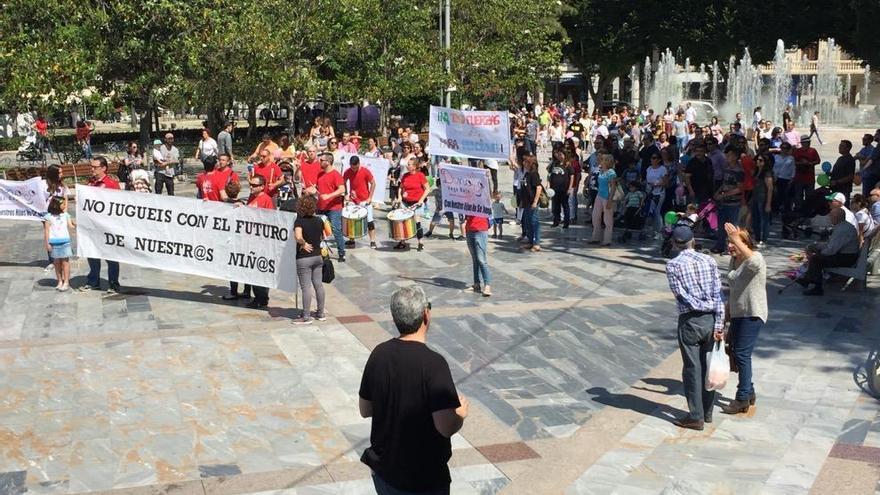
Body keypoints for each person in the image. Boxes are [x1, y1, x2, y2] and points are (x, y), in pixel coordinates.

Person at [358, 286, 468, 495]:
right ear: (426, 315)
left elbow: (365, 409)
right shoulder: (434, 364)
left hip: (385, 471)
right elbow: (445, 426)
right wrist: (460, 414)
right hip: (422, 478)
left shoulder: (379, 354)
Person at [665, 225, 725, 430]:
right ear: (693, 240)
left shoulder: (673, 265)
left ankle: (696, 415)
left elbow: (680, 295)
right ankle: (707, 412)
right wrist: (719, 323)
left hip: (690, 320)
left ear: (674, 243)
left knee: (692, 368)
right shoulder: (709, 260)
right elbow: (718, 294)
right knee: (709, 365)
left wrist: (697, 306)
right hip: (711, 318)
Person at [80, 157, 122, 293]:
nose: (91, 169)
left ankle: (113, 283)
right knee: (92, 254)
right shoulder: (90, 183)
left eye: (94, 167)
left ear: (103, 168)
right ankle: (93, 281)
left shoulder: (111, 184)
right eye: (91, 166)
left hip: (107, 227)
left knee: (111, 257)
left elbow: (119, 206)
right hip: (92, 226)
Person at [798, 207, 860, 296]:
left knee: (816, 259)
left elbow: (831, 250)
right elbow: (832, 245)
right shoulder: (843, 226)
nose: (829, 218)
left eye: (831, 216)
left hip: (847, 258)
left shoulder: (842, 229)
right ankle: (807, 279)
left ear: (836, 217)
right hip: (847, 255)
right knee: (817, 257)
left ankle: (817, 287)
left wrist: (819, 253)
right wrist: (818, 247)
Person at [292, 195, 330, 324]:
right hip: (318, 256)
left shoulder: (299, 221)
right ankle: (320, 313)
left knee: (306, 287)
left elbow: (298, 236)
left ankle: (306, 316)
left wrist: (303, 243)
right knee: (318, 285)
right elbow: (324, 235)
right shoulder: (319, 221)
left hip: (304, 258)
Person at [244, 175, 274, 308]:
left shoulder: (266, 199)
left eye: (255, 185)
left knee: (259, 269)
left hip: (260, 241)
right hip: (250, 239)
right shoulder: (251, 197)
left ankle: (261, 297)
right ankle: (259, 297)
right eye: (251, 184)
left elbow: (271, 219)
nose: (251, 187)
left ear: (262, 187)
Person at [314, 153, 347, 261]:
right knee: (319, 230)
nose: (320, 162)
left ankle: (342, 253)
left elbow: (342, 190)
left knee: (336, 230)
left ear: (328, 162)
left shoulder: (336, 175)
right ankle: (322, 252)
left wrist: (329, 195)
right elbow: (318, 188)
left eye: (321, 160)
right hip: (321, 206)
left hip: (334, 208)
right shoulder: (320, 174)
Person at [711, 147, 744, 253]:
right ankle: (720, 245)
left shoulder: (739, 171)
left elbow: (739, 188)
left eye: (729, 155)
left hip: (733, 203)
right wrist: (718, 192)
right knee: (721, 225)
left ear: (735, 157)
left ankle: (734, 247)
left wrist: (724, 195)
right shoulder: (727, 168)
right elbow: (724, 183)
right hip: (724, 201)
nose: (727, 157)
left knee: (732, 226)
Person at [222, 181, 251, 301]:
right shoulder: (244, 204)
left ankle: (233, 292)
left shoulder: (223, 205)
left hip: (231, 240)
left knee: (233, 265)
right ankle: (247, 291)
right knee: (245, 265)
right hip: (243, 239)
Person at [343, 155, 378, 249]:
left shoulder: (365, 171)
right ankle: (351, 240)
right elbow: (343, 182)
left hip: (364, 200)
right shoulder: (347, 171)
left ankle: (373, 241)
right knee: (350, 220)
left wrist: (370, 197)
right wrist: (346, 193)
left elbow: (373, 183)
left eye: (355, 167)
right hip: (353, 199)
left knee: (370, 221)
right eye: (352, 167)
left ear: (359, 164)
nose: (354, 169)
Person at [396, 157, 430, 251]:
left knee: (417, 222)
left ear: (414, 166)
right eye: (407, 164)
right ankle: (402, 242)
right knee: (402, 222)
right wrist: (399, 197)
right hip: (405, 202)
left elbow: (427, 189)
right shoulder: (405, 175)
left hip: (416, 203)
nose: (407, 165)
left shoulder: (420, 175)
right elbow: (400, 188)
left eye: (409, 164)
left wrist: (421, 200)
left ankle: (420, 243)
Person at [43, 196, 76, 292]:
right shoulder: (48, 217)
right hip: (54, 243)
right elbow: (47, 231)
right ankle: (59, 281)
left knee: (65, 262)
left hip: (65, 242)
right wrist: (47, 244)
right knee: (57, 263)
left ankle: (66, 282)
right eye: (63, 204)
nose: (65, 206)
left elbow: (70, 226)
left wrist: (76, 225)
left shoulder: (66, 215)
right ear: (56, 205)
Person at [589, 154, 618, 246]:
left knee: (608, 219)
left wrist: (610, 200)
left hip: (607, 197)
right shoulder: (601, 171)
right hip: (599, 195)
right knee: (595, 216)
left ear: (607, 161)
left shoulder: (611, 173)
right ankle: (595, 237)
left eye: (602, 159)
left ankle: (607, 240)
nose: (600, 160)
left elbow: (613, 187)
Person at [520, 154, 544, 252]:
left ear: (530, 163)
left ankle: (537, 243)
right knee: (527, 222)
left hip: (532, 202)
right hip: (526, 202)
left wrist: (535, 201)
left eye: (525, 161)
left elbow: (539, 187)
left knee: (534, 222)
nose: (523, 163)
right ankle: (530, 241)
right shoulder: (526, 174)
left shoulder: (534, 174)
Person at [464, 213, 492, 297]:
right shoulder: (466, 201)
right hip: (469, 228)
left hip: (481, 228)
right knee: (475, 259)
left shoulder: (483, 199)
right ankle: (476, 284)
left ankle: (487, 285)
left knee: (481, 259)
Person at [750, 154, 774, 247]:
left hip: (763, 198)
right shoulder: (757, 171)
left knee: (764, 220)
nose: (758, 162)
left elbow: (770, 188)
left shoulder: (767, 173)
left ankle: (764, 240)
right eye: (757, 160)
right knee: (755, 219)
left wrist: (768, 203)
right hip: (755, 197)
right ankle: (757, 238)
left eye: (761, 160)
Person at [547, 148, 574, 228]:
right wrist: (548, 183)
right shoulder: (554, 164)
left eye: (561, 154)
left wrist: (570, 188)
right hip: (554, 189)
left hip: (564, 189)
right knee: (556, 206)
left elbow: (572, 176)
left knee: (565, 206)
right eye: (558, 154)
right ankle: (556, 220)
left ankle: (566, 222)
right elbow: (550, 174)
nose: (559, 156)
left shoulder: (567, 165)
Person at [792, 135, 820, 209]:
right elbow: (793, 162)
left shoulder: (813, 150)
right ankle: (799, 211)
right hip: (799, 178)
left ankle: (808, 211)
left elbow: (818, 161)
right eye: (806, 142)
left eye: (808, 142)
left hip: (810, 178)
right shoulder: (797, 151)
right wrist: (801, 163)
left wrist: (810, 163)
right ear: (802, 143)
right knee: (798, 196)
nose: (808, 143)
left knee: (809, 196)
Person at [829, 140, 856, 206]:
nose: (839, 147)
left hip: (844, 189)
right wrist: (830, 174)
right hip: (836, 188)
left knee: (843, 208)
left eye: (842, 146)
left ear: (848, 148)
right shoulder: (840, 158)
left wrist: (837, 182)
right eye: (839, 145)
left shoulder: (850, 160)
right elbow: (838, 172)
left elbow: (850, 176)